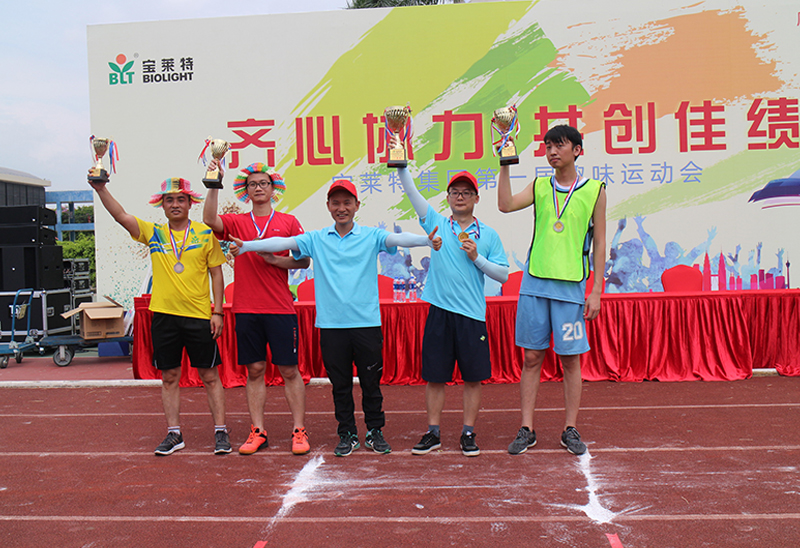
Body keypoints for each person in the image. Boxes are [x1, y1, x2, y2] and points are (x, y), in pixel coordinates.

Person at [229, 179, 442, 457]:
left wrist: (426, 240)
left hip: (366, 324)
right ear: (328, 206)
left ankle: (374, 431)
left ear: (356, 206)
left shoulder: (370, 236)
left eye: (347, 203)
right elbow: (284, 242)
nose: (342, 208)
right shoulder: (317, 239)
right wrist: (247, 246)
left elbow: (397, 239)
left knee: (371, 384)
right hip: (331, 326)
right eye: (336, 203)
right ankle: (347, 433)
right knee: (340, 386)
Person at [89, 175, 230, 456]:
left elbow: (216, 273)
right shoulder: (153, 233)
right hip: (164, 317)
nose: (175, 204)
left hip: (199, 316)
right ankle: (174, 434)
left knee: (210, 375)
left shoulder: (205, 234)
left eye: (181, 199)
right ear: (162, 205)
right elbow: (120, 216)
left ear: (190, 203)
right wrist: (101, 189)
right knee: (169, 376)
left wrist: (218, 311)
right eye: (170, 200)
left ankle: (221, 432)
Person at [497, 124, 607, 456]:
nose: (552, 152)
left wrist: (596, 290)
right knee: (532, 357)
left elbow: (600, 243)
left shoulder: (594, 190)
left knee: (570, 359)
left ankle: (570, 428)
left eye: (559, 145)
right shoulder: (540, 186)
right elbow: (505, 205)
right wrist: (505, 163)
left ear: (577, 150)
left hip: (571, 288)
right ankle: (526, 428)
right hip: (535, 284)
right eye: (547, 147)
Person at [396, 166, 509, 457]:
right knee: (435, 377)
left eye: (466, 193)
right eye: (455, 192)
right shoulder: (436, 224)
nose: (460, 197)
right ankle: (433, 433)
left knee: (473, 378)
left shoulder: (488, 235)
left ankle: (468, 433)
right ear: (447, 197)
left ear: (476, 198)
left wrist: (476, 257)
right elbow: (412, 194)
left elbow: (503, 275)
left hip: (472, 316)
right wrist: (402, 167)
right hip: (440, 312)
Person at [203, 160, 312, 456]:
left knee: (289, 370)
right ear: (246, 191)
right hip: (247, 309)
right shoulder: (237, 222)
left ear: (273, 189)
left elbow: (304, 260)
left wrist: (276, 260)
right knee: (255, 370)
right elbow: (210, 219)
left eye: (264, 183)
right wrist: (213, 183)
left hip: (280, 308)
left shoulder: (289, 221)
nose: (259, 188)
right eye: (253, 184)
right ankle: (258, 430)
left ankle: (299, 430)